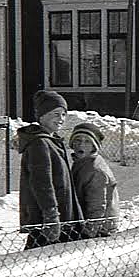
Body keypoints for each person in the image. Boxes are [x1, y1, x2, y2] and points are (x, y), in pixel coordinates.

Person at [18, 90, 83, 249]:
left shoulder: (52, 142)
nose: (61, 119)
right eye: (56, 114)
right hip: (50, 222)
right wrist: (51, 217)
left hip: (63, 220)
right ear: (42, 115)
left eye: (63, 114)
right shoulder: (40, 144)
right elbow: (42, 184)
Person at [69, 122, 120, 238]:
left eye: (87, 141)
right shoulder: (82, 163)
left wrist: (89, 234)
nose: (81, 145)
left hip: (100, 230)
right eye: (77, 140)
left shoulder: (95, 169)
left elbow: (97, 205)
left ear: (94, 146)